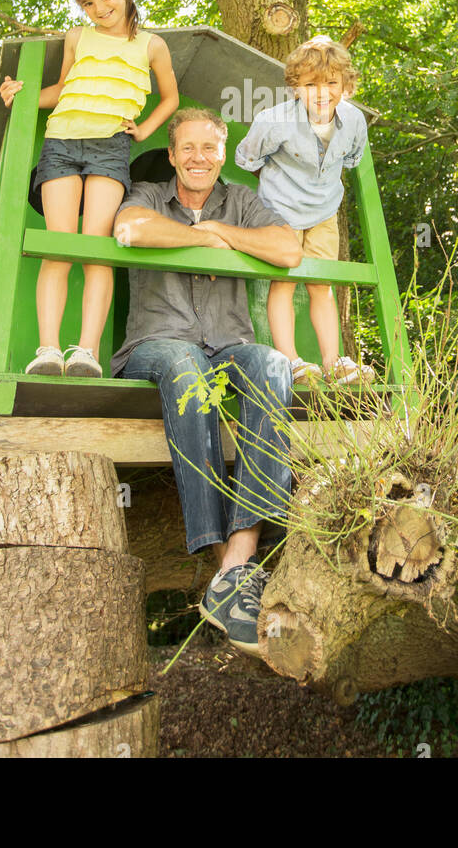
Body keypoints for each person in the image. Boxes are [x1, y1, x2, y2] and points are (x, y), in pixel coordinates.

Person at [111, 107, 302, 654]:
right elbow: (130, 228)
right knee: (186, 370)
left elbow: (287, 249)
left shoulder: (240, 200)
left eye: (210, 148)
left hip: (230, 345)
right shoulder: (147, 193)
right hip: (159, 343)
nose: (199, 157)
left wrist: (215, 230)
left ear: (222, 154)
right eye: (187, 148)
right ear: (172, 155)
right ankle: (230, 573)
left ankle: (235, 567)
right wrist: (212, 241)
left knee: (271, 364)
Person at [0, 0, 179, 378]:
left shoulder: (151, 44)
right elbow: (62, 89)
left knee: (97, 247)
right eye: (88, 2)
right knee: (58, 246)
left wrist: (144, 129)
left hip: (110, 146)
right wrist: (22, 95)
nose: (99, 7)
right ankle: (47, 350)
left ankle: (86, 352)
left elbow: (170, 97)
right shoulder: (78, 37)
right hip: (61, 141)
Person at [235, 36, 373, 386]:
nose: (322, 92)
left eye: (331, 83)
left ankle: (332, 362)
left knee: (321, 284)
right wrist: (277, 183)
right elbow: (247, 158)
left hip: (324, 209)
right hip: (280, 208)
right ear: (296, 88)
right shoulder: (274, 120)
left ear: (346, 85)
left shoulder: (354, 121)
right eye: (311, 84)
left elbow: (352, 158)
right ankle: (291, 360)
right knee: (282, 283)